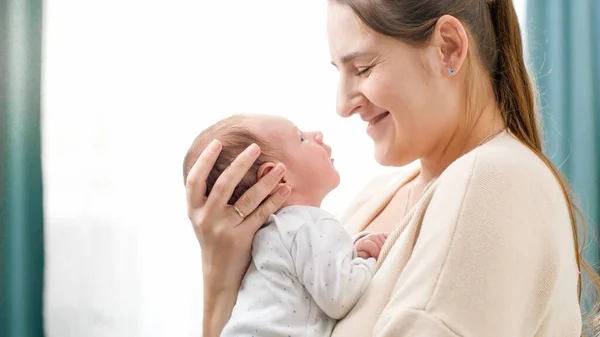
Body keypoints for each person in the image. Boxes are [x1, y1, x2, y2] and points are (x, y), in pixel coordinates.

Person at [184, 0, 600, 336]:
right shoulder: (373, 198)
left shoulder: (492, 181)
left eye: (362, 68)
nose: (342, 105)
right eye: (339, 72)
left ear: (449, 48)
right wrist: (220, 280)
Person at [182, 114, 388, 336]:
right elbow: (341, 296)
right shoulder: (310, 225)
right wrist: (367, 261)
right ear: (275, 176)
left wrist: (352, 250)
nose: (317, 135)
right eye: (301, 138)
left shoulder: (265, 237)